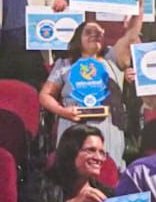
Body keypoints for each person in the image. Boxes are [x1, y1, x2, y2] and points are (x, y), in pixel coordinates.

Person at [41, 13, 138, 161]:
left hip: (108, 126)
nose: (95, 35)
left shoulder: (112, 59)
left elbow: (131, 35)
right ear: (78, 38)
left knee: (107, 172)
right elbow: (45, 96)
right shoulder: (65, 64)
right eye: (89, 32)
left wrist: (140, 8)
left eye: (99, 33)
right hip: (73, 125)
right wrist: (63, 111)